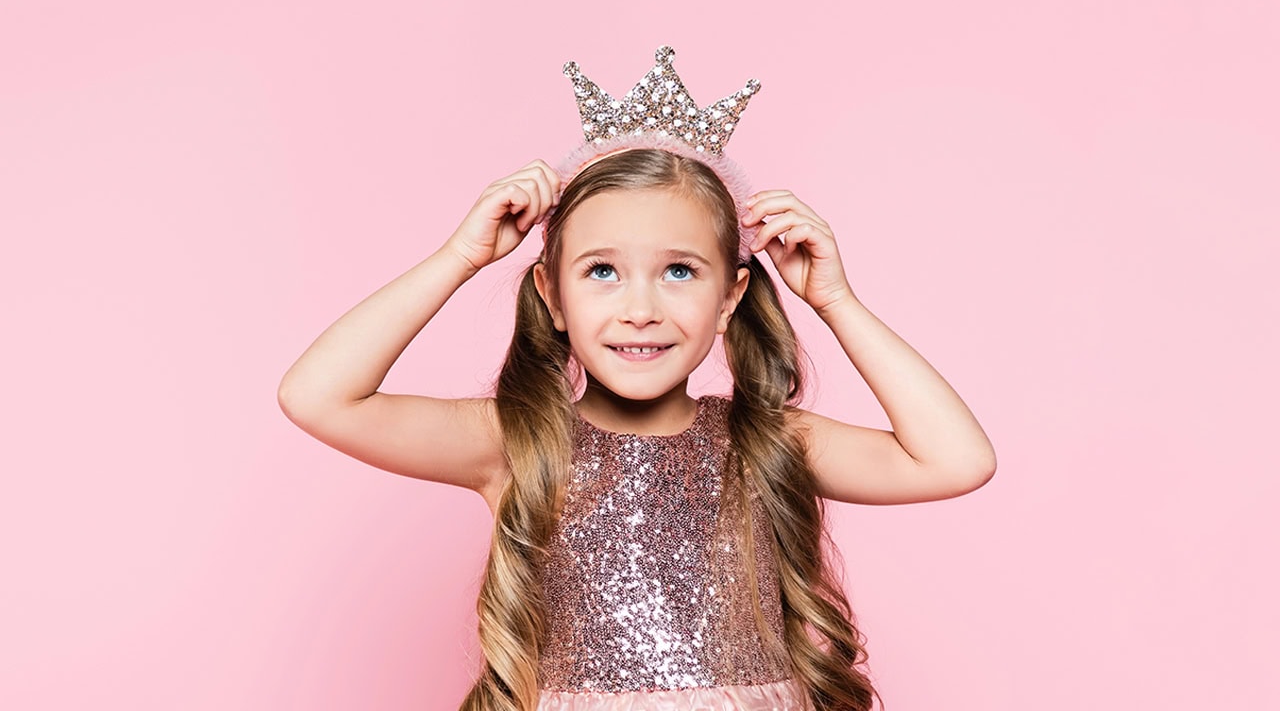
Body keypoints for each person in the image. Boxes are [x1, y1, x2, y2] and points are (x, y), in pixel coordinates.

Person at [278, 47, 996, 711]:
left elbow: (956, 460)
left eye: (679, 271)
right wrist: (459, 257)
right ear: (554, 297)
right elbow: (318, 395)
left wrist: (837, 302)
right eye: (602, 272)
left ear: (730, 299)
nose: (641, 309)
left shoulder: (767, 440)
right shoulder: (519, 441)